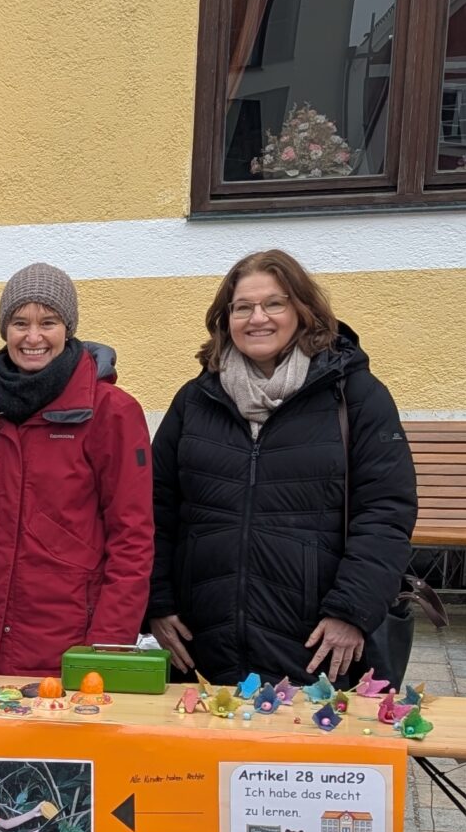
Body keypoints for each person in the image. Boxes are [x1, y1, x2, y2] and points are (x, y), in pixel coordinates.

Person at [147, 249, 418, 687]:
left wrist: (351, 611)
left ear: (302, 311)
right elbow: (155, 509)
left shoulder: (355, 395)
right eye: (242, 307)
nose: (258, 318)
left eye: (274, 303)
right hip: (205, 644)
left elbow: (385, 511)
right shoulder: (195, 400)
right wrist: (157, 604)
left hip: (315, 645)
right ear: (225, 319)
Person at [0, 263, 153, 675]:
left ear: (68, 329)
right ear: (5, 329)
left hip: (66, 639)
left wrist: (108, 643)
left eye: (48, 322)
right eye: (20, 322)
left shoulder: (111, 412)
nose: (33, 337)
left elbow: (133, 537)